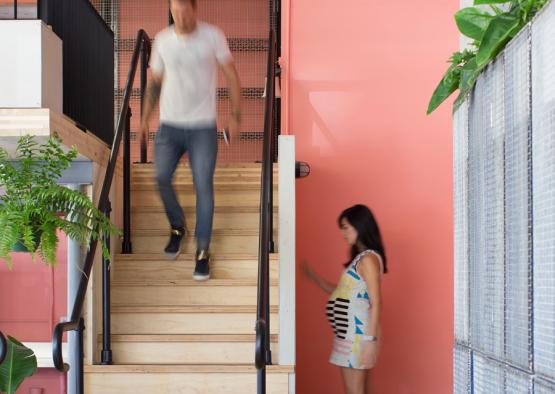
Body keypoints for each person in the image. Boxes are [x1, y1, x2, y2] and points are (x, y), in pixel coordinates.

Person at [140, 0, 241, 281]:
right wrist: (144, 119)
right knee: (160, 177)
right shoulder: (162, 40)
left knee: (203, 185)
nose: (180, 16)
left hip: (202, 128)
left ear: (195, 9)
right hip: (169, 127)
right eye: (175, 11)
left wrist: (234, 117)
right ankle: (177, 227)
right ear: (171, 11)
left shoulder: (212, 36)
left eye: (185, 10)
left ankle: (202, 251)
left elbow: (232, 75)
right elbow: (155, 82)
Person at [303, 204, 387, 394]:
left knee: (354, 391)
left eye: (346, 227)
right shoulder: (360, 259)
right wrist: (314, 277)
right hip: (348, 335)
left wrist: (370, 340)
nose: (343, 233)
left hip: (358, 334)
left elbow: (376, 301)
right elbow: (341, 293)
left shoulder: (368, 259)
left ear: (360, 226)